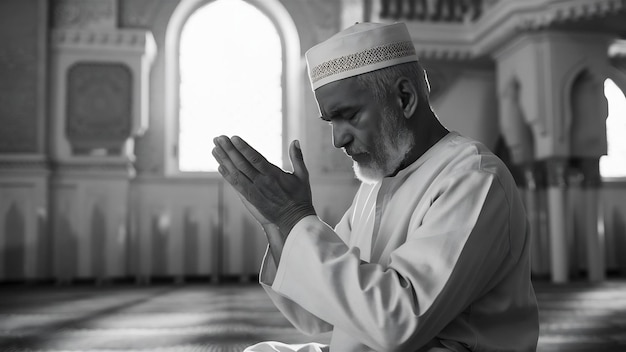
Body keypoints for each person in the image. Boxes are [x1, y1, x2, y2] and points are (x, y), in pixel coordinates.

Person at [212, 22, 539, 352]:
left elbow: (397, 323)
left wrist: (294, 217)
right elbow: (322, 314)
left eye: (348, 115)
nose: (338, 139)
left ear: (405, 97)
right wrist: (277, 224)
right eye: (331, 121)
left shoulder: (473, 178)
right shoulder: (376, 182)